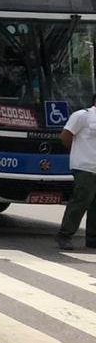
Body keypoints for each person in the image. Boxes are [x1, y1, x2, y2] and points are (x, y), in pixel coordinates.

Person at [59, 95, 96, 250]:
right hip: (84, 166)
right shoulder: (83, 115)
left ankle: (92, 238)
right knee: (81, 200)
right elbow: (66, 136)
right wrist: (77, 153)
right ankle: (64, 235)